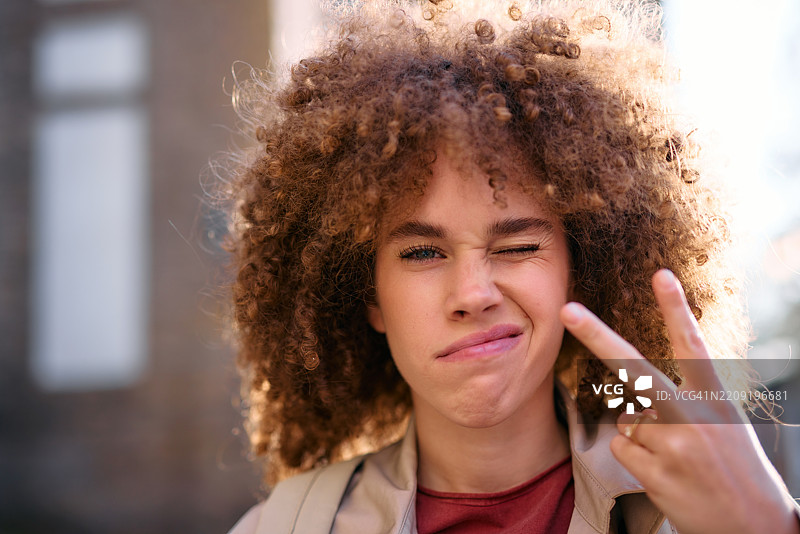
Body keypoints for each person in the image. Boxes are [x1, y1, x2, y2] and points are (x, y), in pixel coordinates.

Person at [223, 1, 800, 532]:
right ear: (367, 296)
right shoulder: (282, 526)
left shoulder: (696, 513)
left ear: (581, 268)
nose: (473, 294)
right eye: (422, 252)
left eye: (519, 247)